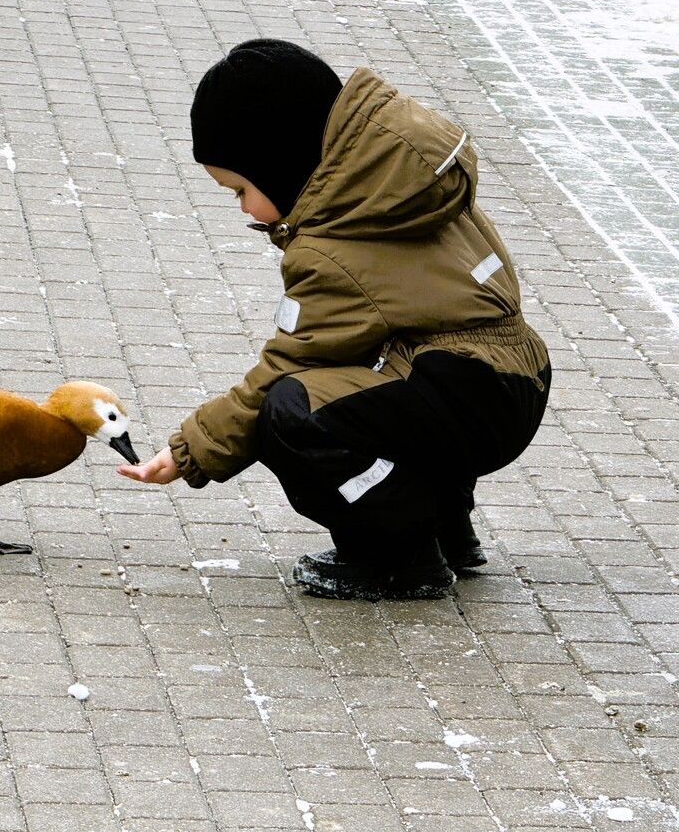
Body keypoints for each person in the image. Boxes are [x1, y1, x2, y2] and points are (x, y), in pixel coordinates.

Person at [118, 39, 551, 601]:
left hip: (470, 393)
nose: (242, 208)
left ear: (281, 162)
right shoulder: (400, 184)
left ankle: (397, 555)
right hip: (513, 375)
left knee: (294, 413)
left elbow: (286, 368)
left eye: (241, 189)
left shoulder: (332, 247)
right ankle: (445, 527)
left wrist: (189, 451)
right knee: (379, 384)